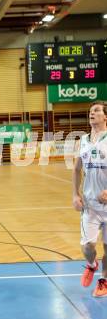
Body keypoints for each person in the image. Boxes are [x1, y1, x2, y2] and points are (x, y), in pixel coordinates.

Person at [72, 101, 107, 297]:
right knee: (88, 246)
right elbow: (77, 170)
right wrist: (75, 194)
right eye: (90, 111)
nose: (91, 113)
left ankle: (104, 281)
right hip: (91, 206)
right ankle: (91, 264)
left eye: (96, 111)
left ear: (105, 117)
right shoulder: (83, 140)